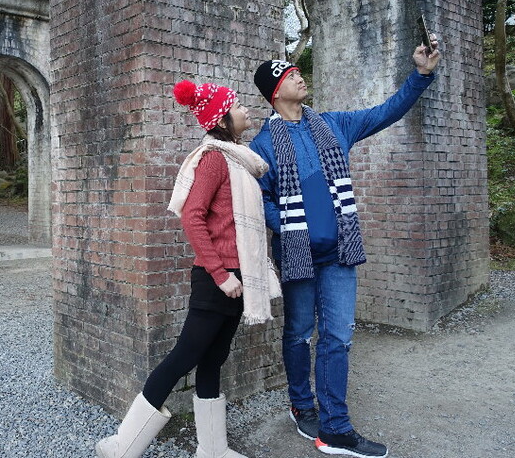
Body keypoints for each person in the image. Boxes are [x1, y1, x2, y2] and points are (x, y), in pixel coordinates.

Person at [249, 39, 440, 458]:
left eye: (298, 71)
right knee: (298, 333)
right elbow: (258, 197)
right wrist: (287, 226)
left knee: (337, 336)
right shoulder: (260, 146)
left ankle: (334, 427)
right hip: (297, 255)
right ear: (274, 91)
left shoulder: (334, 125)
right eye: (289, 74)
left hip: (340, 254)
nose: (299, 76)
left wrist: (421, 76)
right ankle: (302, 406)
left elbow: (384, 113)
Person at [96, 79, 281, 458]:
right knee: (184, 356)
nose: (246, 110)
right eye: (238, 105)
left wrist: (236, 276)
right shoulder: (214, 159)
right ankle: (123, 444)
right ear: (223, 118)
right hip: (219, 279)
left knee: (213, 359)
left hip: (239, 274)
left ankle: (212, 449)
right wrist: (220, 275)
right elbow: (192, 217)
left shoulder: (238, 159)